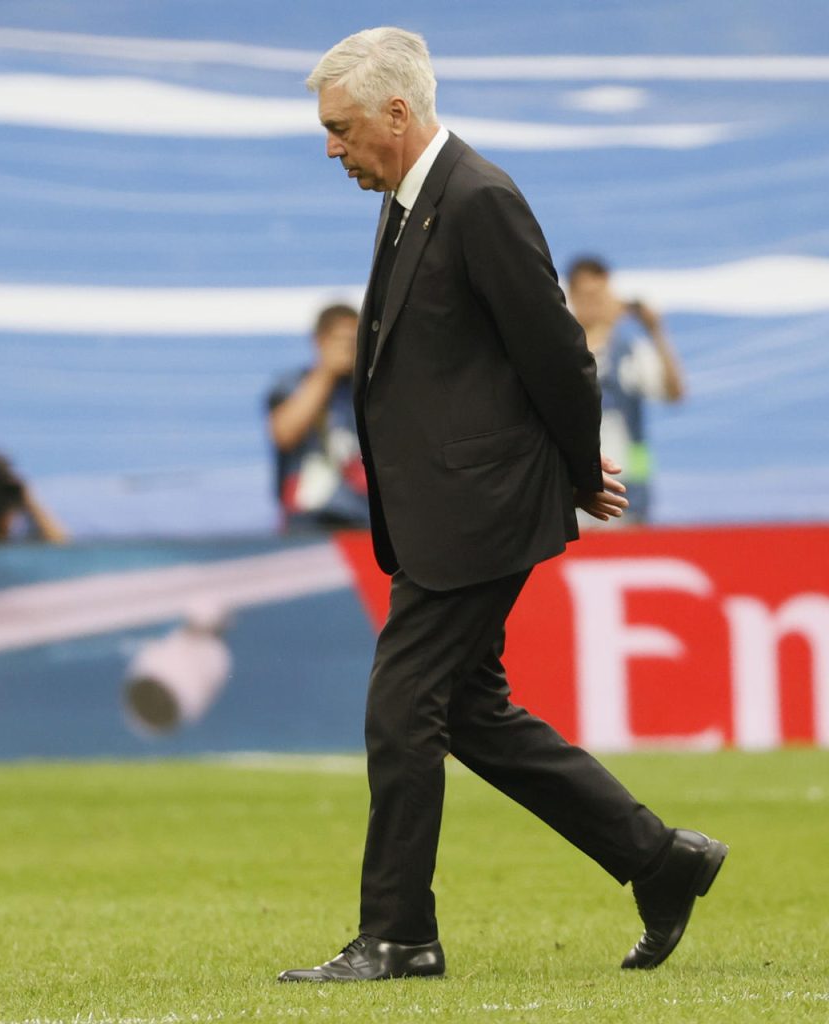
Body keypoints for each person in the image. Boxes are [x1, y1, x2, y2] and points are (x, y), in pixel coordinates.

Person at [278, 28, 726, 984]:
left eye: (341, 129)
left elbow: (557, 350)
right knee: (470, 713)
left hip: (479, 504)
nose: (331, 149)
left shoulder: (479, 198)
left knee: (401, 710)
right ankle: (660, 859)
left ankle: (399, 936)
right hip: (449, 505)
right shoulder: (413, 199)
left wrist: (572, 469)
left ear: (397, 115)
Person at [565, 256, 686, 525]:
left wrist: (656, 331)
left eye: (601, 294)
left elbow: (674, 393)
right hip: (573, 490)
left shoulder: (630, 351)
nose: (595, 303)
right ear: (571, 295)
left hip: (626, 491)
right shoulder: (558, 354)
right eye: (587, 295)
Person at [265, 304, 369, 530]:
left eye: (354, 340)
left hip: (362, 519)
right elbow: (284, 434)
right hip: (306, 519)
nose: (348, 348)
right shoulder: (291, 384)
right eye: (340, 340)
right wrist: (326, 372)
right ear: (319, 341)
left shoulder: (369, 390)